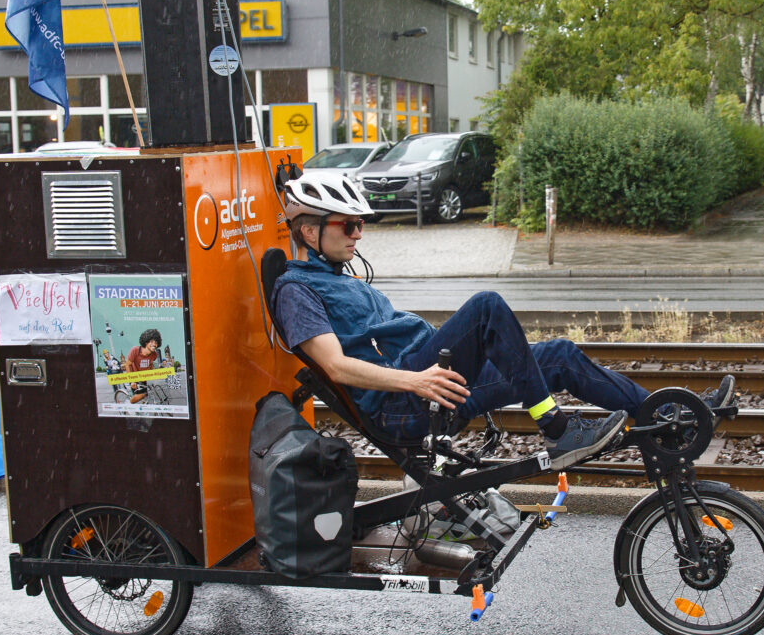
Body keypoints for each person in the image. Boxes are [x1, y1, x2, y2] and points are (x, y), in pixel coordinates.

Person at [269, 174, 733, 470]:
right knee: (486, 306)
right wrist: (413, 381)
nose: (358, 234)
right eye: (347, 226)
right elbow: (335, 367)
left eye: (361, 225)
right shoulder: (297, 291)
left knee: (559, 356)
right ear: (310, 232)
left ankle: (674, 418)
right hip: (403, 406)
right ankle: (556, 431)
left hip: (432, 384)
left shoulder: (340, 277)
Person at [124, 328, 163, 404]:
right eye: (151, 341)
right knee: (142, 395)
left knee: (147, 395)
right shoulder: (135, 350)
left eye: (156, 342)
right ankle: (128, 404)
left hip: (144, 378)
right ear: (146, 342)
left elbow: (150, 365)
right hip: (133, 377)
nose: (154, 344)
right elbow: (127, 365)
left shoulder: (154, 354)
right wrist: (132, 381)